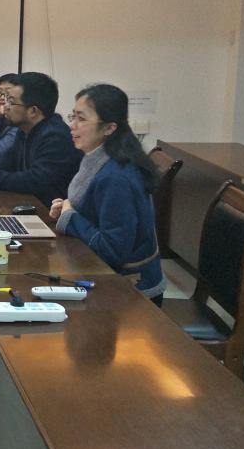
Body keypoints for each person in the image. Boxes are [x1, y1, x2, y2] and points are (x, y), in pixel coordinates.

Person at [49, 84, 165, 304]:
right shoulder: (99, 156)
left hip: (131, 294)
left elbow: (113, 251)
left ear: (109, 128)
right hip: (105, 276)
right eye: (73, 116)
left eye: (81, 119)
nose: (72, 125)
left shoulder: (116, 176)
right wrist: (67, 208)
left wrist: (70, 217)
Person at [0, 72, 82, 207]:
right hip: (28, 203)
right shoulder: (24, 129)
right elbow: (5, 164)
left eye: (11, 101)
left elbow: (37, 180)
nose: (5, 106)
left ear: (33, 111)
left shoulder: (55, 135)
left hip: (51, 211)